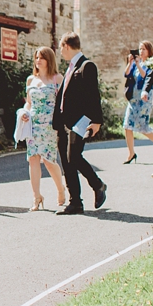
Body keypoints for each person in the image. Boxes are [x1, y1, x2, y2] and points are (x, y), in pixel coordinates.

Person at [52, 32, 106, 215]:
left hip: (80, 121)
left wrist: (97, 121)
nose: (60, 51)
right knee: (67, 163)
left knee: (74, 157)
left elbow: (93, 95)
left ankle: (97, 184)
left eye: (61, 47)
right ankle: (75, 202)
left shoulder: (86, 66)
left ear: (67, 46)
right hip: (63, 123)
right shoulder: (70, 67)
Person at [23, 47, 66, 211]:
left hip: (50, 125)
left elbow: (63, 103)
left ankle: (60, 189)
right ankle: (36, 197)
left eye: (42, 57)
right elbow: (29, 102)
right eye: (36, 57)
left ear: (49, 60)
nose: (38, 60)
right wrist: (25, 112)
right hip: (33, 125)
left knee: (49, 161)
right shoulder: (30, 80)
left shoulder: (57, 78)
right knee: (33, 159)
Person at [122, 41, 153, 164]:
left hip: (144, 99)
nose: (141, 51)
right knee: (127, 126)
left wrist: (139, 65)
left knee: (143, 128)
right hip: (133, 99)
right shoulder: (135, 63)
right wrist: (130, 63)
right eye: (140, 49)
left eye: (144, 49)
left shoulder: (151, 64)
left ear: (149, 51)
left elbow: (146, 77)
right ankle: (131, 153)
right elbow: (126, 74)